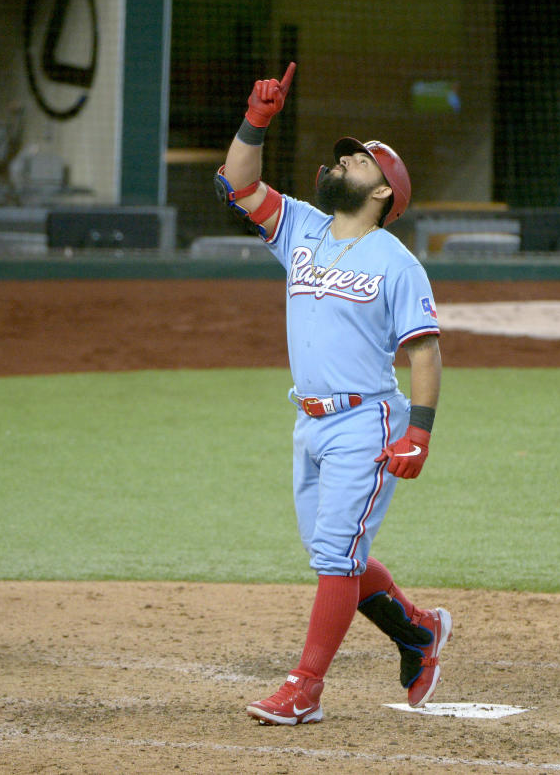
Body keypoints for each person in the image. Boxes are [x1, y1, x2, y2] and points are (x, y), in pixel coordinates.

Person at [214, 62, 450, 725]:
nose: (342, 160)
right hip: (309, 423)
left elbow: (425, 350)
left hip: (365, 425)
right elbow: (238, 185)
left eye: (359, 160)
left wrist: (420, 430)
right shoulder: (303, 229)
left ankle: (305, 687)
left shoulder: (397, 263)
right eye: (345, 153)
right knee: (335, 552)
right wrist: (255, 118)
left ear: (382, 193)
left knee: (336, 554)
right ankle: (419, 630)